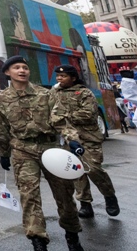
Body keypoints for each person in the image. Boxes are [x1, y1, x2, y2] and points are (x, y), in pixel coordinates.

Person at [0, 56, 86, 251]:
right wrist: (4, 153)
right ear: (8, 73)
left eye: (25, 67)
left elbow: (61, 120)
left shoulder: (46, 94)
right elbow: (2, 127)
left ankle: (73, 239)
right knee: (29, 198)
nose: (22, 71)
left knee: (64, 196)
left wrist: (73, 139)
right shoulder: (2, 98)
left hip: (51, 150)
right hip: (22, 150)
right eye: (16, 68)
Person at [49, 65, 120, 218]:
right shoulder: (54, 92)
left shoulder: (84, 93)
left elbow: (88, 114)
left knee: (93, 169)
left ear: (73, 78)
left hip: (88, 138)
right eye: (58, 76)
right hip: (68, 139)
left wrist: (63, 116)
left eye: (64, 76)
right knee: (76, 172)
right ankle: (85, 204)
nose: (59, 79)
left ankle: (109, 196)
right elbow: (50, 112)